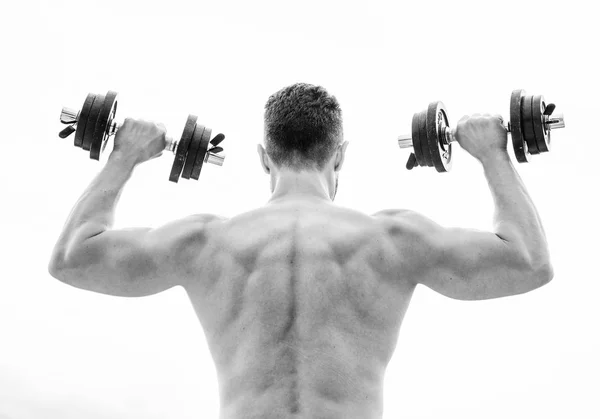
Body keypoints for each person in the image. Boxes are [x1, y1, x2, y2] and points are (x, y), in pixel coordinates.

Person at [49, 83, 553, 419]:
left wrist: (125, 156)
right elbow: (528, 262)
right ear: (340, 154)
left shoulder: (204, 242)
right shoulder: (392, 240)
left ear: (263, 157)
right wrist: (493, 154)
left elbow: (72, 259)